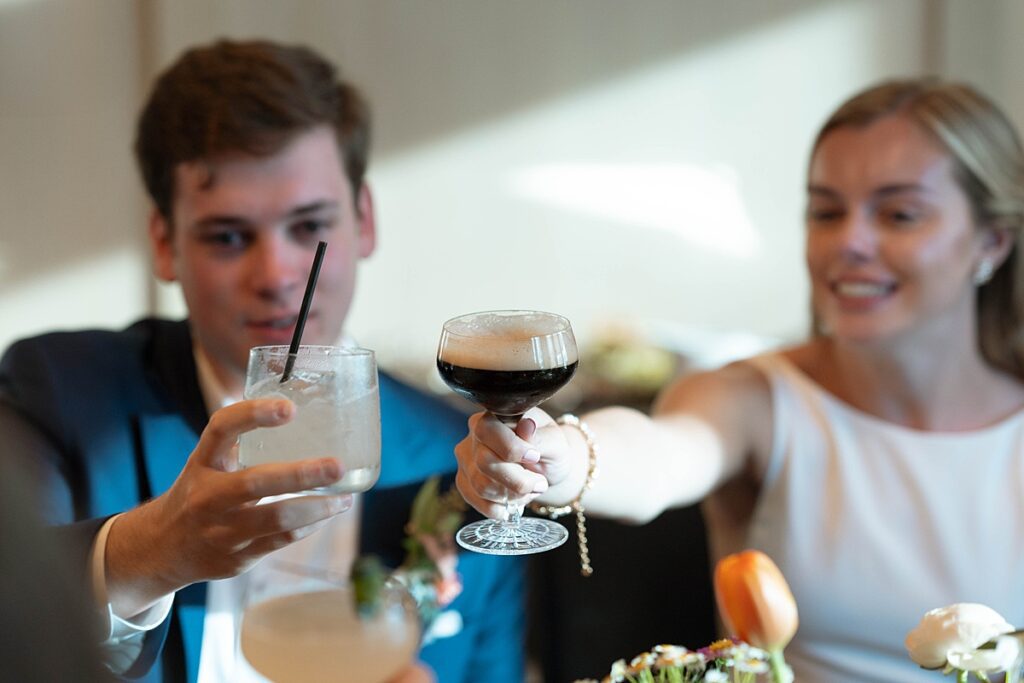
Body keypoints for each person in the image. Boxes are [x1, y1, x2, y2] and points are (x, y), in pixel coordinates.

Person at [455, 77, 1024, 682]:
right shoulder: (757, 399)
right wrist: (559, 455)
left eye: (899, 214)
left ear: (992, 241)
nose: (849, 242)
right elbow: (661, 451)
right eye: (826, 211)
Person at [0, 39, 523, 682]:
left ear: (363, 221)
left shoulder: (463, 456)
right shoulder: (60, 392)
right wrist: (156, 551)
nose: (276, 275)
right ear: (164, 244)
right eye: (227, 237)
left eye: (308, 226)